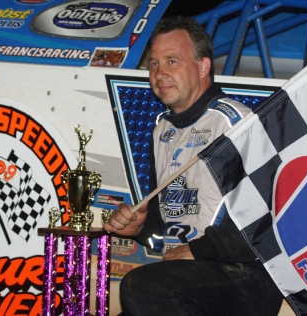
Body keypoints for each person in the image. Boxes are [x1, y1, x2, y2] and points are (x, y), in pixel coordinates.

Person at [103, 16, 284, 316]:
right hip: (185, 280)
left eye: (172, 61)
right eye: (154, 64)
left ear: (203, 67)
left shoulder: (234, 122)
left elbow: (269, 219)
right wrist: (140, 228)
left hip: (246, 276)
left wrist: (201, 251)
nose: (160, 74)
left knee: (140, 286)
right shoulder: (162, 130)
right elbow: (165, 225)